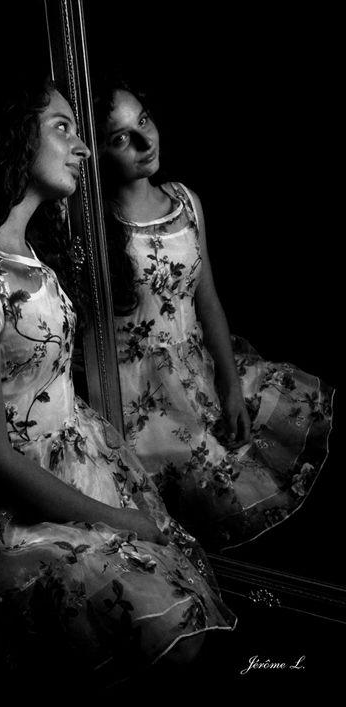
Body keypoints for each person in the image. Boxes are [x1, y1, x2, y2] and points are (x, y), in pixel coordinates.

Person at [0, 75, 236, 699]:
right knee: (150, 619)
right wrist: (115, 517)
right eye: (62, 127)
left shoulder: (35, 255)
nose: (83, 147)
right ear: (13, 137)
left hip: (78, 463)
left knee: (175, 614)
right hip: (9, 503)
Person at [94, 78, 334, 551]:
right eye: (121, 138)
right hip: (136, 396)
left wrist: (230, 385)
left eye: (144, 121)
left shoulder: (185, 201)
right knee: (180, 520)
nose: (144, 141)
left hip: (197, 373)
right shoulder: (96, 225)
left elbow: (208, 302)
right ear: (98, 152)